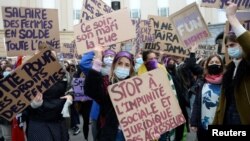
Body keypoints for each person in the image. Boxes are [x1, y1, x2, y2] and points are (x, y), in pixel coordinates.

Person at [84, 46, 135, 141]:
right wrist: (98, 58)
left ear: (131, 69)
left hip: (132, 134)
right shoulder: (106, 84)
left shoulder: (137, 87)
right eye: (120, 63)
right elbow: (90, 90)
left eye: (127, 65)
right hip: (110, 134)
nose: (123, 67)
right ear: (114, 65)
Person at [213, 2, 250, 125]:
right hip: (227, 118)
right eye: (227, 46)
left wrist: (232, 18)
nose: (229, 49)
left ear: (242, 44)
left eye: (233, 45)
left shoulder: (248, 64)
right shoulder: (229, 68)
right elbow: (222, 103)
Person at [190, 55, 224, 141]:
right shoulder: (202, 82)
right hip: (203, 126)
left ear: (221, 65)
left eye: (217, 62)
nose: (214, 64)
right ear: (207, 65)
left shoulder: (226, 82)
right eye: (211, 62)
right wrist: (193, 122)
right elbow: (197, 103)